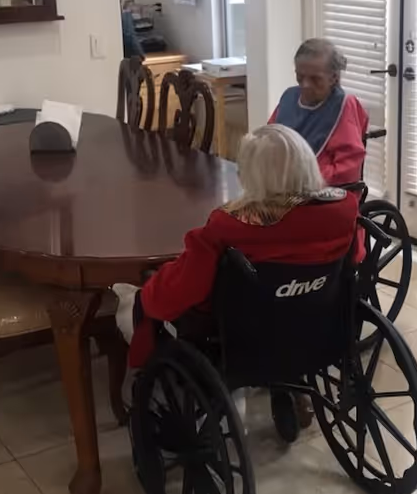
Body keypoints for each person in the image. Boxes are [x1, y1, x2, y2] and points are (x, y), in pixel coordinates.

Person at [125, 123, 358, 372]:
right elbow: (353, 262)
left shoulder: (229, 225)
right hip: (315, 321)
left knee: (148, 298)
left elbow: (185, 287)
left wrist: (148, 294)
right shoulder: (344, 210)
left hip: (245, 333)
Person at [270, 38, 369, 187]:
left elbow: (347, 169)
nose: (305, 85)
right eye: (300, 76)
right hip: (285, 185)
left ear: (333, 78)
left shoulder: (343, 105)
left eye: (315, 79)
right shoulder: (289, 97)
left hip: (324, 190)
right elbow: (268, 141)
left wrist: (304, 179)